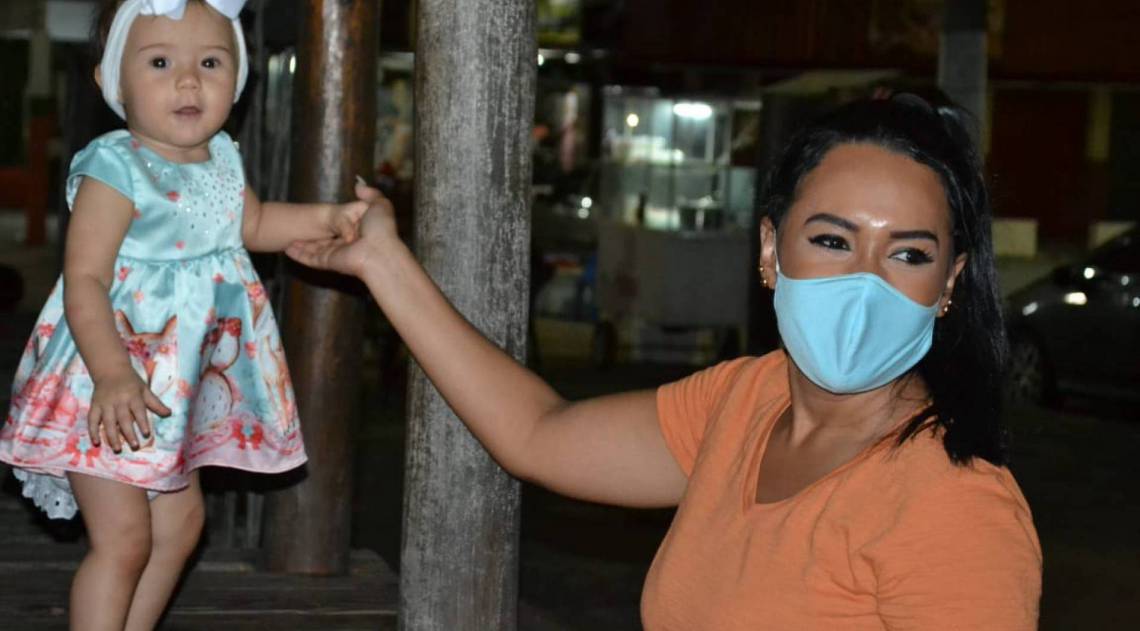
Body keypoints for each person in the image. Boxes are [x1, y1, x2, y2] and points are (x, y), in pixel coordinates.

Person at [288, 93, 1042, 629]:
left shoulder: (953, 502)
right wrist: (383, 262)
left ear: (948, 282)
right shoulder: (746, 401)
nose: (865, 284)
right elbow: (539, 432)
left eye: (908, 252)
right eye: (833, 240)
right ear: (772, 251)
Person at [0, 1, 370, 629]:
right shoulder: (115, 168)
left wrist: (329, 217)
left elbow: (252, 224)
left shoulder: (223, 160)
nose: (189, 80)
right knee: (124, 538)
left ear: (238, 77)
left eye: (210, 62)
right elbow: (84, 278)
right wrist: (114, 374)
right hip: (109, 383)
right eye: (161, 62)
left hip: (177, 387)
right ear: (112, 81)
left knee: (182, 527)